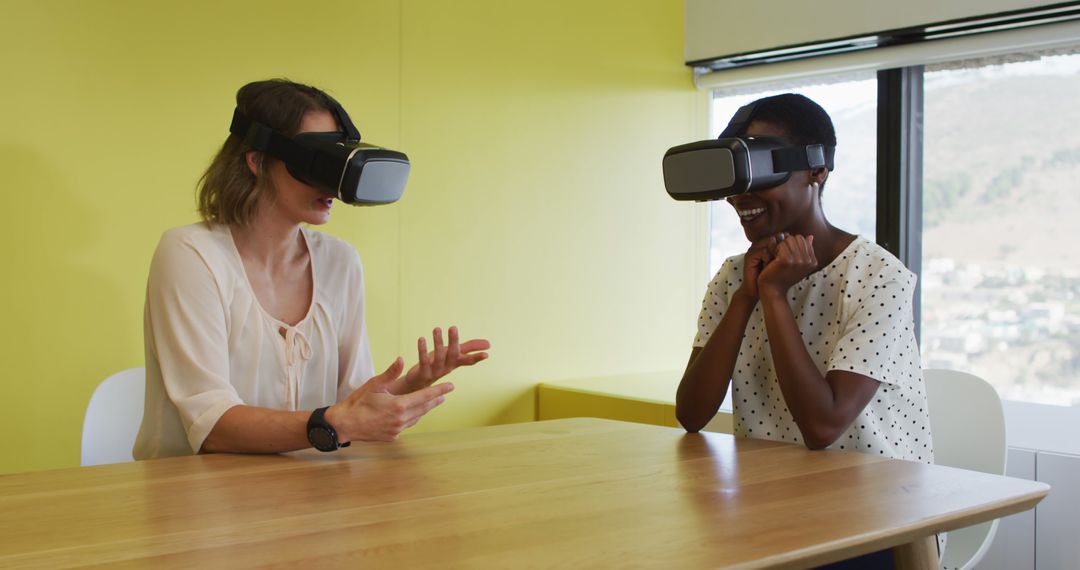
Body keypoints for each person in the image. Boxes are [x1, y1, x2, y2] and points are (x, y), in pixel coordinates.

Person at [134, 79, 490, 459]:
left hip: (306, 491)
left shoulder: (340, 262)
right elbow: (212, 425)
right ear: (256, 161)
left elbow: (348, 406)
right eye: (317, 161)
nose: (332, 182)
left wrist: (409, 387)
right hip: (192, 496)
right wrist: (338, 423)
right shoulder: (191, 255)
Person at [676, 94, 936, 567]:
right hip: (770, 508)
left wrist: (775, 297)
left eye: (761, 168)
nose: (740, 194)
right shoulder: (735, 278)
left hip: (876, 520)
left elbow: (822, 426)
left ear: (816, 170)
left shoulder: (878, 276)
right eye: (736, 177)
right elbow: (692, 412)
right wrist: (746, 299)